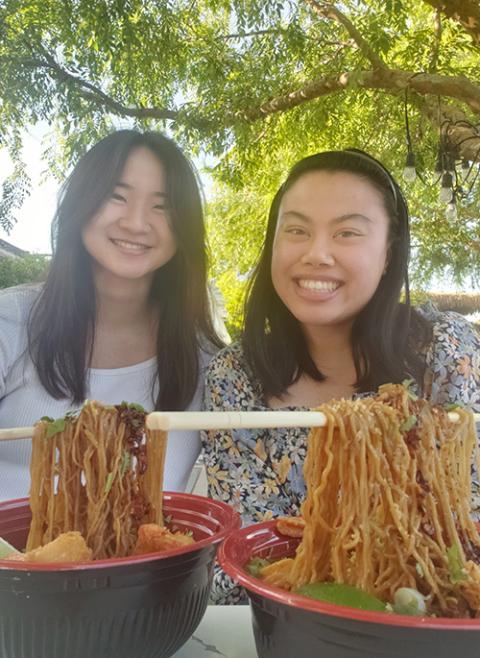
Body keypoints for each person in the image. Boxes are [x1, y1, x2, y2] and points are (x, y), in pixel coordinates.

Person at [202, 148, 480, 603]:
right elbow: (246, 555)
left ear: (388, 253)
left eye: (347, 232)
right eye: (296, 230)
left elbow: (466, 532)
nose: (316, 254)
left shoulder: (446, 352)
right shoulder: (236, 376)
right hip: (286, 628)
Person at [0, 129, 223, 501]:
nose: (136, 223)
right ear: (81, 205)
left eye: (162, 206)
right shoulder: (12, 321)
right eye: (116, 196)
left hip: (149, 561)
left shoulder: (206, 362)